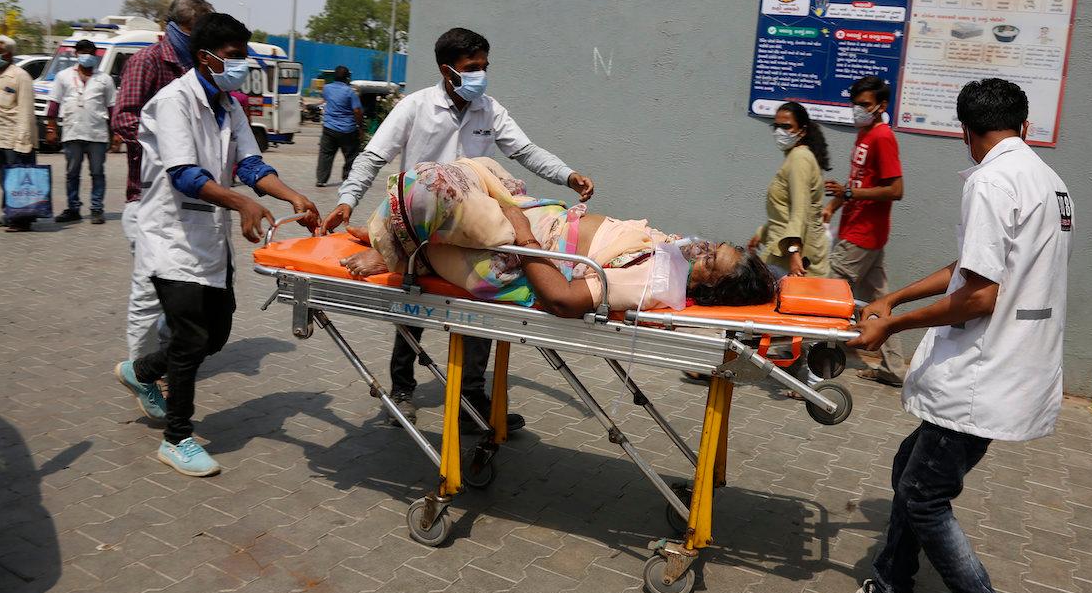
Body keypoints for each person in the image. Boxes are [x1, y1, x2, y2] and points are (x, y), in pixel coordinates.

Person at [819, 78, 1072, 593]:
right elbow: (969, 266)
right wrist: (897, 297)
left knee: (924, 493)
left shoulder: (991, 180)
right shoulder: (1048, 181)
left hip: (986, 370)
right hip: (1015, 365)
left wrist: (890, 326)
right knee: (911, 467)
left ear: (965, 133)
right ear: (1024, 126)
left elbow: (979, 296)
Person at [322, 27, 595, 431]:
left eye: (484, 67)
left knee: (480, 310)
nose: (480, 75)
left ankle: (471, 399)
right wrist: (347, 200)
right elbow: (373, 156)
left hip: (473, 232)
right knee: (411, 306)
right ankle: (401, 391)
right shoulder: (415, 107)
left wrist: (567, 175)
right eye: (471, 68)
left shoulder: (489, 109)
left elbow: (525, 150)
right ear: (446, 69)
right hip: (419, 230)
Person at [113, 13, 319, 477]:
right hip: (170, 235)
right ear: (204, 58)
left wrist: (293, 196)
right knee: (189, 339)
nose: (240, 64)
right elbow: (184, 175)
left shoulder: (229, 104)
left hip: (209, 236)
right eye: (232, 56)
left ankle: (140, 370)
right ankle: (177, 438)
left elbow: (249, 164)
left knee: (217, 335)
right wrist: (241, 205)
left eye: (243, 55)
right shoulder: (173, 102)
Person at [338, 157, 774, 316]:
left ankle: (398, 252)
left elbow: (562, 300)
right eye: (714, 246)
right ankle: (401, 240)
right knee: (479, 167)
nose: (702, 249)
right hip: (534, 220)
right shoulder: (675, 255)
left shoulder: (656, 283)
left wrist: (524, 234)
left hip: (515, 249)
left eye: (710, 260)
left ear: (711, 287)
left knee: (431, 184)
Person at [112, 0, 213, 360]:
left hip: (192, 200)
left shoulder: (200, 68)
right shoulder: (148, 61)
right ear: (176, 28)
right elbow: (123, 118)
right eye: (196, 31)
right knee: (151, 290)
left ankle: (165, 362)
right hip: (148, 196)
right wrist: (172, 143)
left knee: (184, 289)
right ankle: (141, 370)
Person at [824, 76, 907, 386]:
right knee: (878, 303)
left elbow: (896, 190)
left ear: (881, 106)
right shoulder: (865, 134)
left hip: (862, 236)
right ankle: (894, 370)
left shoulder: (883, 137)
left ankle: (817, 372)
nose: (857, 110)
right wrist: (835, 205)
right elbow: (857, 183)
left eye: (864, 105)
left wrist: (849, 195)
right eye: (854, 104)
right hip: (862, 233)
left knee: (827, 302)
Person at [749, 101, 831, 279]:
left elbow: (800, 210)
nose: (780, 132)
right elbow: (784, 210)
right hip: (781, 250)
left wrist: (794, 252)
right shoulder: (795, 156)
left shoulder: (799, 158)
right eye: (776, 126)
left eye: (786, 126)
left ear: (802, 130)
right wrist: (762, 233)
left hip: (796, 258)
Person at [48, 39, 116, 224]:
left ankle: (96, 209)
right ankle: (73, 208)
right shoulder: (63, 76)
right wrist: (51, 127)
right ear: (76, 54)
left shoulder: (104, 79)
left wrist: (116, 133)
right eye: (83, 52)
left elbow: (112, 107)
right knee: (72, 173)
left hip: (97, 133)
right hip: (72, 131)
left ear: (95, 56)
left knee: (97, 172)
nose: (87, 56)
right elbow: (54, 103)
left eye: (90, 53)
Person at [0, 35, 37, 232]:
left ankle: (21, 220)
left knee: (18, 179)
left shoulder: (20, 76)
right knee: (5, 178)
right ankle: (8, 214)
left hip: (15, 139)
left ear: (8, 53)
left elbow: (25, 111)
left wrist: (23, 142)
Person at [315, 65, 363, 187]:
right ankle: (347, 178)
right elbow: (357, 111)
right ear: (347, 78)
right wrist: (360, 127)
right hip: (347, 130)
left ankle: (321, 179)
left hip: (329, 128)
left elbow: (326, 101)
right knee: (351, 155)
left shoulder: (326, 88)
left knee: (326, 154)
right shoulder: (350, 92)